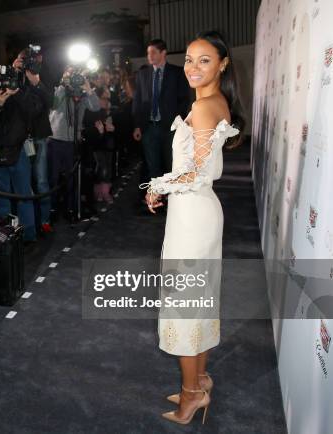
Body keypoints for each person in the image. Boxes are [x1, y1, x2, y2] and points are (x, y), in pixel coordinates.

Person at [141, 30, 244, 425]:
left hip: (194, 214)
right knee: (197, 303)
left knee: (186, 309)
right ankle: (199, 380)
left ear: (222, 64)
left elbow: (197, 174)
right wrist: (166, 187)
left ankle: (191, 396)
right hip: (195, 213)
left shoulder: (204, 108)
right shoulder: (211, 103)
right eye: (188, 59)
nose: (193, 67)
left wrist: (157, 185)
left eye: (204, 60)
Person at [0, 65, 42, 242]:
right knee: (2, 199)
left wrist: (17, 92)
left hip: (18, 151)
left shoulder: (16, 93)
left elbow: (36, 108)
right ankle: (4, 238)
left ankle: (29, 236)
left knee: (24, 196)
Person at [132, 39, 190, 208]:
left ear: (163, 53)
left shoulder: (177, 73)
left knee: (171, 164)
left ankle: (172, 199)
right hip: (149, 127)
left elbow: (184, 100)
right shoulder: (143, 75)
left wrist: (179, 123)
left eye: (153, 52)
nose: (149, 56)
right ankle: (157, 199)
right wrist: (137, 125)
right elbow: (137, 101)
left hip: (171, 128)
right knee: (152, 165)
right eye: (148, 53)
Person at [48, 66, 100, 223]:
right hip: (55, 139)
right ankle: (51, 209)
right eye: (70, 74)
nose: (73, 77)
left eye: (75, 74)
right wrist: (63, 84)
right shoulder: (60, 90)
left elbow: (96, 107)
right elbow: (54, 104)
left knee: (72, 178)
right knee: (53, 178)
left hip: (73, 142)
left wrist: (88, 88)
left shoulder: (82, 94)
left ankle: (71, 209)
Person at [12, 48, 54, 234]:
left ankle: (44, 219)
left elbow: (50, 102)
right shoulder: (15, 75)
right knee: (23, 183)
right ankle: (26, 224)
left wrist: (36, 82)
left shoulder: (44, 76)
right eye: (23, 60)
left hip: (39, 135)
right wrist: (14, 71)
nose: (27, 64)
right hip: (19, 137)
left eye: (30, 60)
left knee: (42, 181)